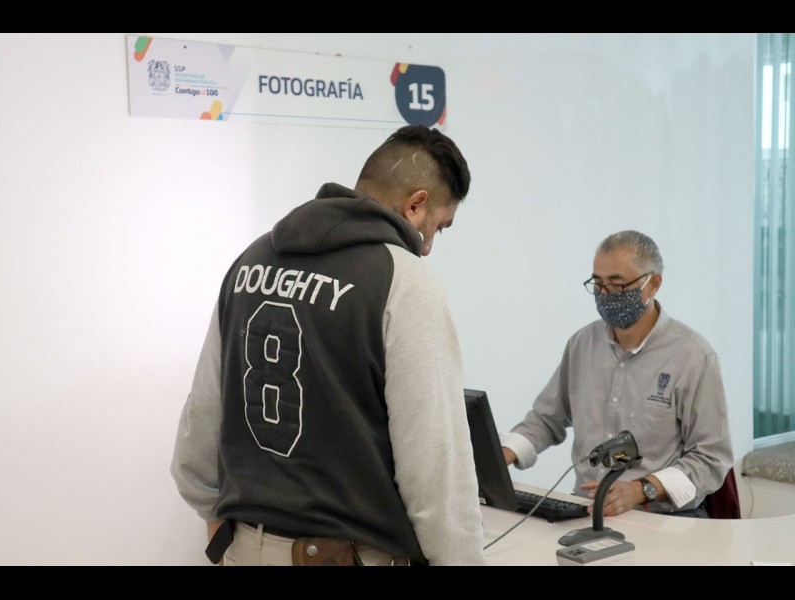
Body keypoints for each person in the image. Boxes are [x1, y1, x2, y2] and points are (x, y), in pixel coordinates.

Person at [170, 125, 486, 566]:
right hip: (345, 557)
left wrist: (215, 514)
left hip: (243, 550)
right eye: (439, 226)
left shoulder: (250, 262)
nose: (429, 246)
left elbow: (201, 420)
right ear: (415, 204)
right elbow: (435, 471)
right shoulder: (403, 281)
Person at [501, 230, 733, 518]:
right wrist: (499, 457)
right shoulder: (582, 344)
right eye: (598, 284)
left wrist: (640, 490)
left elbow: (711, 458)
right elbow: (546, 419)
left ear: (653, 284)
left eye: (617, 284)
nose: (605, 294)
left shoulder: (693, 356)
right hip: (587, 510)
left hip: (662, 516)